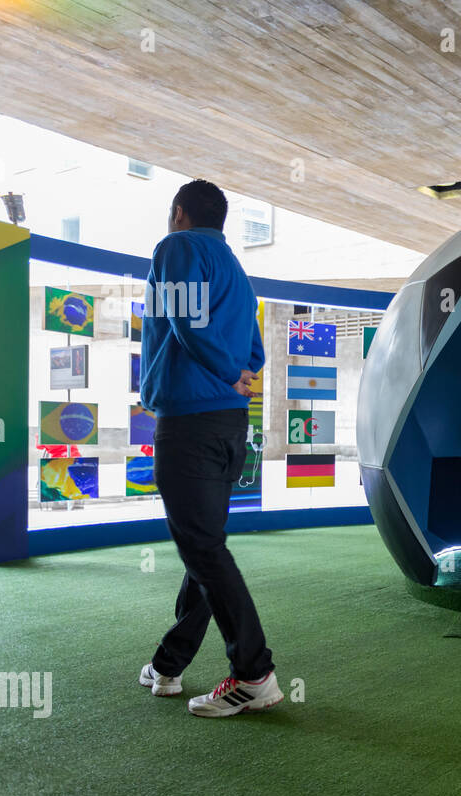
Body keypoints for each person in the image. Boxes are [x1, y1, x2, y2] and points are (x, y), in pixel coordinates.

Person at [137, 179, 281, 718]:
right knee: (204, 547)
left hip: (191, 423)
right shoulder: (237, 272)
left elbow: (184, 321)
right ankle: (170, 664)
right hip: (228, 425)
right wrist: (238, 375)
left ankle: (254, 673)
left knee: (203, 550)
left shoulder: (176, 248)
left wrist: (223, 372)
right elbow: (256, 351)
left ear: (179, 213)